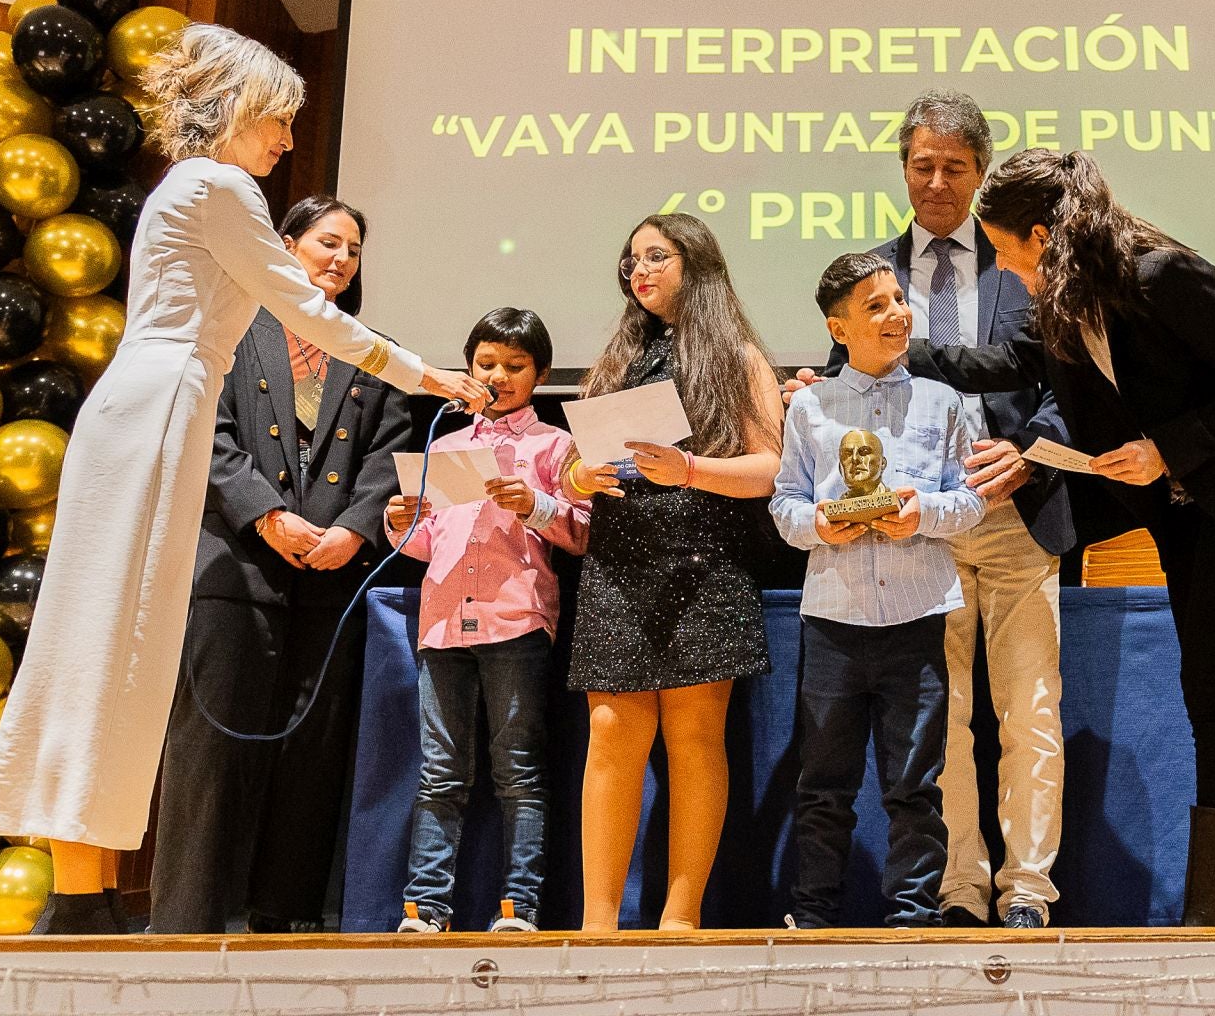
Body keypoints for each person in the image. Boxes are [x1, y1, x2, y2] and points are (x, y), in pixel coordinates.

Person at [0, 24, 488, 936]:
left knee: (115, 649)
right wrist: (426, 375)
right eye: (280, 120)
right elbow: (300, 306)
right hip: (161, 408)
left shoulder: (194, 186)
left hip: (153, 404)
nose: (287, 140)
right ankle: (77, 897)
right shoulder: (219, 184)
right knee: (111, 645)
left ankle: (83, 896)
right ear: (239, 111)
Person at [906, 149, 1215, 927]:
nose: (1004, 273)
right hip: (1182, 507)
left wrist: (1166, 448)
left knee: (1214, 690)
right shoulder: (1062, 301)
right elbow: (1010, 361)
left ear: (1041, 235)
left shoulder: (1161, 274)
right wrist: (874, 353)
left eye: (1007, 253)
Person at [796, 90, 1074, 928]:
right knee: (937, 726)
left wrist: (1031, 455)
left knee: (1030, 712)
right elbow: (845, 376)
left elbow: (1074, 380)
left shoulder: (1022, 257)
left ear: (983, 173)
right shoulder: (871, 269)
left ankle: (1027, 891)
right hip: (908, 530)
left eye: (956, 167)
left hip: (1017, 514)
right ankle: (958, 889)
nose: (938, 182)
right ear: (903, 170)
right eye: (923, 165)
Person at [150, 195, 412, 934]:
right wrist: (266, 513)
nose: (340, 259)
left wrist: (356, 532)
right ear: (286, 244)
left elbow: (389, 458)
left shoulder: (372, 348)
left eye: (353, 250)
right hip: (235, 568)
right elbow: (209, 431)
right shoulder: (230, 327)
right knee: (212, 754)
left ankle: (282, 921)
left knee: (310, 759)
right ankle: (186, 922)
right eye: (328, 242)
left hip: (329, 578)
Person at [565, 213, 784, 931]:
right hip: (620, 559)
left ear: (697, 264)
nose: (640, 270)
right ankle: (598, 923)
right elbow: (575, 465)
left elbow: (767, 470)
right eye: (632, 260)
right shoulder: (616, 362)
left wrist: (690, 468)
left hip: (703, 556)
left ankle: (679, 916)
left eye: (656, 256)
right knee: (609, 729)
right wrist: (578, 477)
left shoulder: (739, 357)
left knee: (694, 735)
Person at [772, 252, 986, 928]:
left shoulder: (942, 401)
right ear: (840, 329)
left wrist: (925, 513)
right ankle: (813, 917)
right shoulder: (809, 406)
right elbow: (783, 507)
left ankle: (914, 916)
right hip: (834, 620)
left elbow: (972, 500)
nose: (898, 314)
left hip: (918, 617)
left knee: (916, 786)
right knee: (823, 787)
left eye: (899, 299)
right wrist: (821, 528)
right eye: (877, 305)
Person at [388, 308, 590, 934]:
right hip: (444, 620)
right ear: (468, 368)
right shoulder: (444, 444)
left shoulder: (555, 446)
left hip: (516, 618)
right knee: (439, 773)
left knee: (519, 772)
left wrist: (538, 505)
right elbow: (427, 542)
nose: (498, 376)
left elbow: (582, 534)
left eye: (514, 366)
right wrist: (400, 522)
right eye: (486, 364)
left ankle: (519, 908)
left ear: (541, 374)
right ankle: (425, 909)